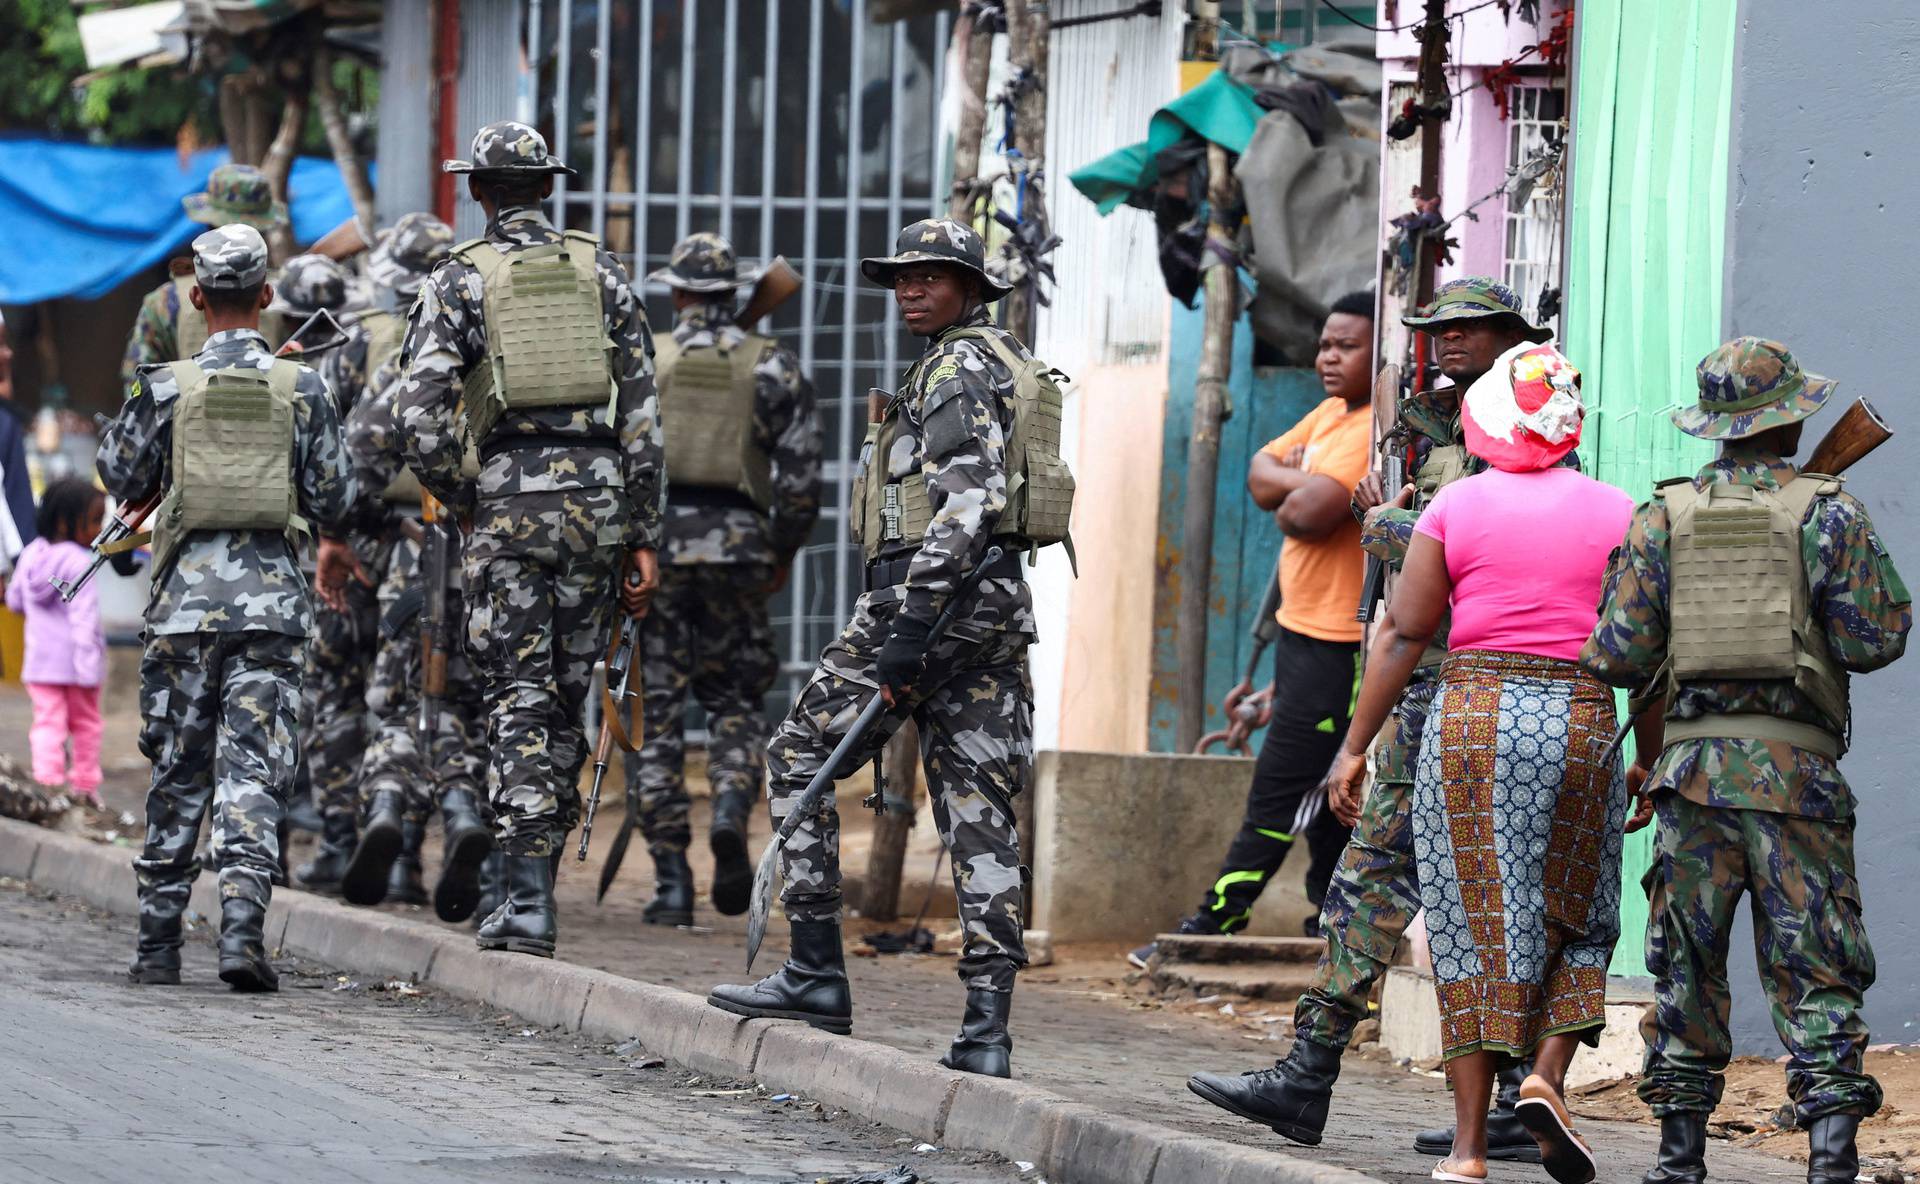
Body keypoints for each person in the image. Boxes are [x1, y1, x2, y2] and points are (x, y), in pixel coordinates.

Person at [1187, 277, 1554, 1160]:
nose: (1453, 342)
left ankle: (1510, 1100)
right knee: (1370, 878)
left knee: (1495, 897)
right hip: (1424, 682)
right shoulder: (1430, 420)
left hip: (1489, 680)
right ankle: (1308, 1075)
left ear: (1513, 335)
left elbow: (1462, 540)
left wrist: (1382, 519)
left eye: (1473, 329)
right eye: (1441, 329)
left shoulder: (1536, 419)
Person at [708, 218, 1074, 1080]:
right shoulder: (1008, 359)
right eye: (901, 279)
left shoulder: (954, 367)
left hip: (932, 598)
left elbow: (970, 501)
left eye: (930, 277)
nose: (910, 290)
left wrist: (908, 630)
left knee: (798, 755)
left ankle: (814, 971)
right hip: (992, 608)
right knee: (980, 809)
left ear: (971, 287)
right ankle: (987, 1028)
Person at [1581, 338, 1910, 1184]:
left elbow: (1616, 654)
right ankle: (1831, 1164)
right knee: (1818, 965)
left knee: (1684, 964)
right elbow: (1877, 640)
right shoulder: (1827, 511)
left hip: (1689, 781)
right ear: (1792, 416)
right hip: (1797, 778)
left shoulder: (1663, 515)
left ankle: (1678, 1162)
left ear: (1714, 430)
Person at [1324, 342, 1634, 1184]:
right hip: (1580, 718)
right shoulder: (1622, 512)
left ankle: (1466, 1150)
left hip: (1472, 718)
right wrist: (1652, 755)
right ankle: (1545, 1075)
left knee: (1471, 923)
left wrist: (1354, 748)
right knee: (1580, 906)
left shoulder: (1454, 508)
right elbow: (1651, 649)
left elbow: (1403, 632)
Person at [393, 121, 662, 958]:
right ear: (548, 187)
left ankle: (521, 900)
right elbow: (646, 414)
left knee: (516, 693)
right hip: (600, 507)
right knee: (571, 692)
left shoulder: (458, 280)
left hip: (508, 505)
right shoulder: (604, 274)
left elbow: (419, 415)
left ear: (478, 192)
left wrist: (467, 496)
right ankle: (534, 894)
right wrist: (643, 531)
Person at [101, 223, 356, 991]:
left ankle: (157, 947)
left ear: (199, 296)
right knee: (252, 772)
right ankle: (242, 933)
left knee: (179, 770)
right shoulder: (302, 385)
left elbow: (117, 468)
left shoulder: (166, 381)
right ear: (269, 298)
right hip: (273, 609)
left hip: (182, 609)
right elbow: (339, 496)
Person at [1132, 291, 1375, 969]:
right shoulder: (1332, 413)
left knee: (1283, 787)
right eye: (1325, 344)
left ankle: (1214, 923)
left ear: (1376, 352)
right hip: (1303, 633)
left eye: (1346, 346)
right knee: (1324, 795)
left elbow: (1305, 515)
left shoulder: (1367, 432)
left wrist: (1294, 484)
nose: (1328, 356)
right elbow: (1258, 473)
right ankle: (1328, 921)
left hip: (1342, 645)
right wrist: (1298, 483)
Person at [620, 231, 820, 925]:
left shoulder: (647, 362)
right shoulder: (774, 366)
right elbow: (800, 480)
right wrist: (781, 550)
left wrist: (626, 549)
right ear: (732, 294)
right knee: (736, 699)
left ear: (676, 293)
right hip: (738, 549)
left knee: (657, 713)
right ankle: (731, 810)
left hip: (658, 552)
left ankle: (672, 883)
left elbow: (623, 462)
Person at [251, 253, 380, 896]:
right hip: (374, 549)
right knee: (374, 697)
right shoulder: (364, 359)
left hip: (303, 557)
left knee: (298, 698)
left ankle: (306, 841)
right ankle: (368, 834)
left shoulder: (288, 376)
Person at [120, 164, 289, 382]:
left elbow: (138, 384)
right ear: (264, 228)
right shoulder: (289, 298)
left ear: (208, 224)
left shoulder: (165, 302)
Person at [6, 479, 107, 804]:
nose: (98, 528)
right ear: (66, 521)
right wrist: (89, 668)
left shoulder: (31, 554)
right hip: (78, 667)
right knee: (86, 725)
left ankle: (48, 783)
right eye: (94, 520)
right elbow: (84, 621)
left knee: (48, 724)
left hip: (40, 664)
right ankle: (85, 787)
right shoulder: (80, 562)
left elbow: (15, 601)